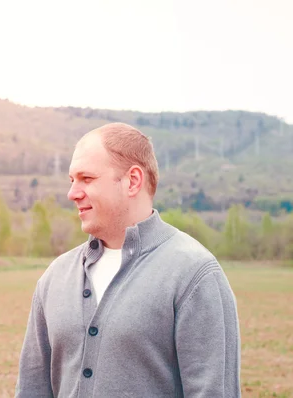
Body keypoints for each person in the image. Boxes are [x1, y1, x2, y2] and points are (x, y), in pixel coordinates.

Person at [15, 122, 241, 397]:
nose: (72, 193)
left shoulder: (194, 275)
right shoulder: (55, 277)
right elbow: (32, 390)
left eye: (86, 178)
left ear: (133, 181)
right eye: (72, 180)